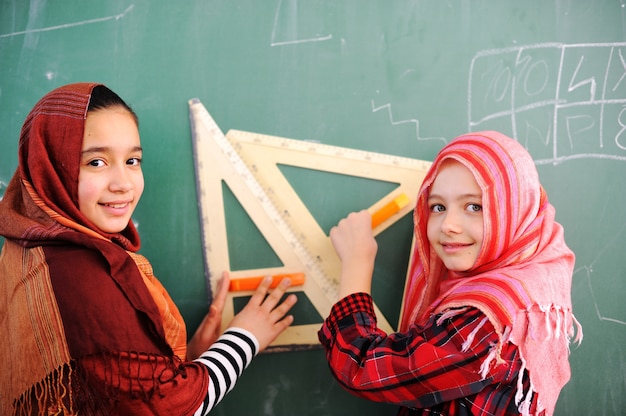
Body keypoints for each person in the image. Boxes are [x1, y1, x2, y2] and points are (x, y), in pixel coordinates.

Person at [0, 82, 297, 415]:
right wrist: (245, 337)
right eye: (96, 162)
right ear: (50, 167)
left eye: (132, 160)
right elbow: (173, 409)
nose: (123, 183)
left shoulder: (29, 246)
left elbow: (105, 384)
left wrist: (187, 360)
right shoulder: (82, 276)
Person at [318, 131, 582, 415]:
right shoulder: (532, 285)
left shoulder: (489, 320)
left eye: (474, 206)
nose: (448, 225)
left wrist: (357, 262)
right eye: (438, 207)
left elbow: (361, 367)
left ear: (515, 209)